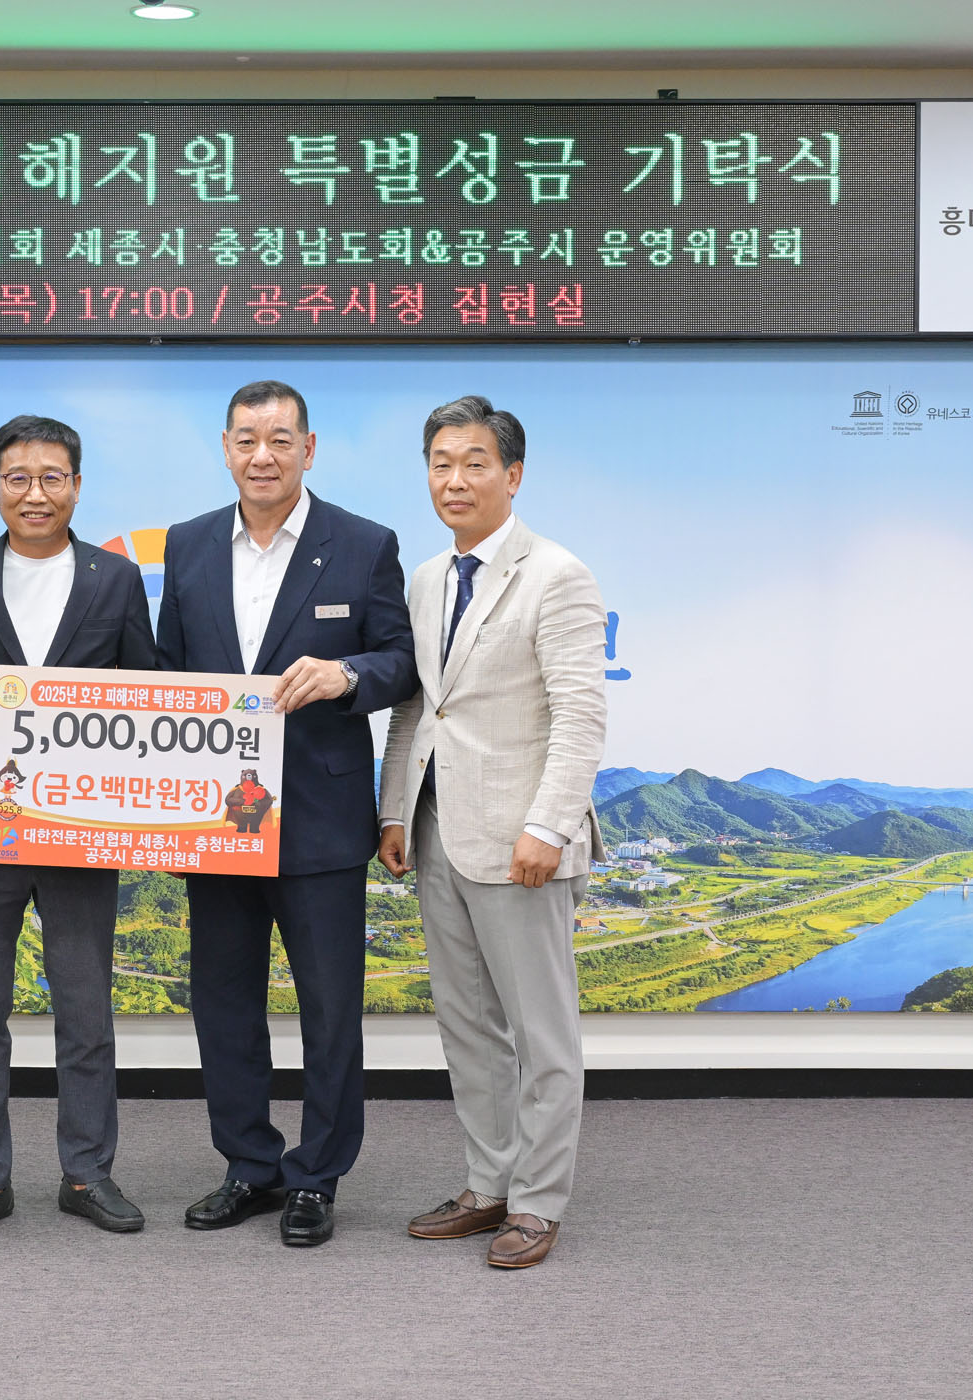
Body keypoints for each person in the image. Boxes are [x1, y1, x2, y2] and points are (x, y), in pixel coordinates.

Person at [156, 380, 418, 1247]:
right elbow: (166, 677)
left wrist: (347, 676)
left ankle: (317, 1176)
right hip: (217, 819)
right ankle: (249, 1165)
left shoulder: (364, 544)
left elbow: (401, 661)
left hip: (320, 815)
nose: (261, 455)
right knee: (223, 1004)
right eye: (245, 440)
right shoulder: (188, 544)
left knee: (329, 1010)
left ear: (309, 449)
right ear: (225, 449)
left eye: (279, 439)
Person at [0, 414, 159, 1241]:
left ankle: (88, 1174)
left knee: (86, 1010)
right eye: (19, 478)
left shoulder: (116, 580)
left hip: (83, 824)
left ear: (76, 487)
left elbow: (148, 690)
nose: (35, 493)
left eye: (52, 477)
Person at [377, 394, 607, 1270]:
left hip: (522, 841)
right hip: (437, 829)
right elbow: (416, 710)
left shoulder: (558, 574)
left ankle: (539, 1203)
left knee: (541, 1034)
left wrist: (549, 824)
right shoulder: (427, 578)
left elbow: (580, 717)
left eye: (475, 463)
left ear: (513, 475)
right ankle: (489, 1185)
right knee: (467, 1026)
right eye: (441, 463)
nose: (456, 479)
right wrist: (393, 811)